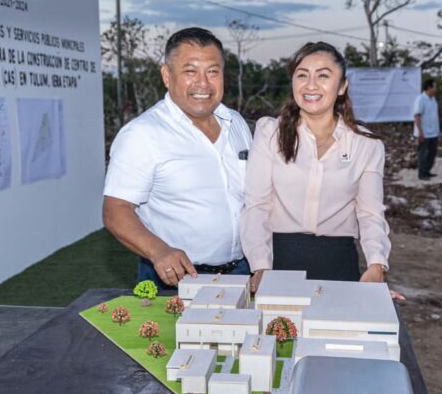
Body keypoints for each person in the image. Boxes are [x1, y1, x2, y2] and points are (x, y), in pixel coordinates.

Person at [102, 27, 252, 288]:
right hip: (175, 279)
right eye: (190, 71)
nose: (203, 83)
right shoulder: (142, 134)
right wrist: (158, 251)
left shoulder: (236, 123)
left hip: (242, 272)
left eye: (213, 71)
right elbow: (115, 211)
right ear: (167, 75)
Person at [241, 41, 391, 290]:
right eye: (302, 75)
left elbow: (370, 213)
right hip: (278, 259)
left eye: (323, 75)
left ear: (342, 86)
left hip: (338, 261)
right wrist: (260, 265)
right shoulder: (270, 132)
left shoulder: (366, 145)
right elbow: (256, 204)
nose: (311, 85)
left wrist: (376, 266)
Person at [413, 78, 440, 180]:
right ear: (429, 88)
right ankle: (422, 174)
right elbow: (417, 116)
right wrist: (420, 132)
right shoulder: (420, 99)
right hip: (424, 133)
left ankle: (427, 171)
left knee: (432, 153)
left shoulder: (433, 99)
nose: (436, 89)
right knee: (423, 154)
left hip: (433, 133)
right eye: (435, 87)